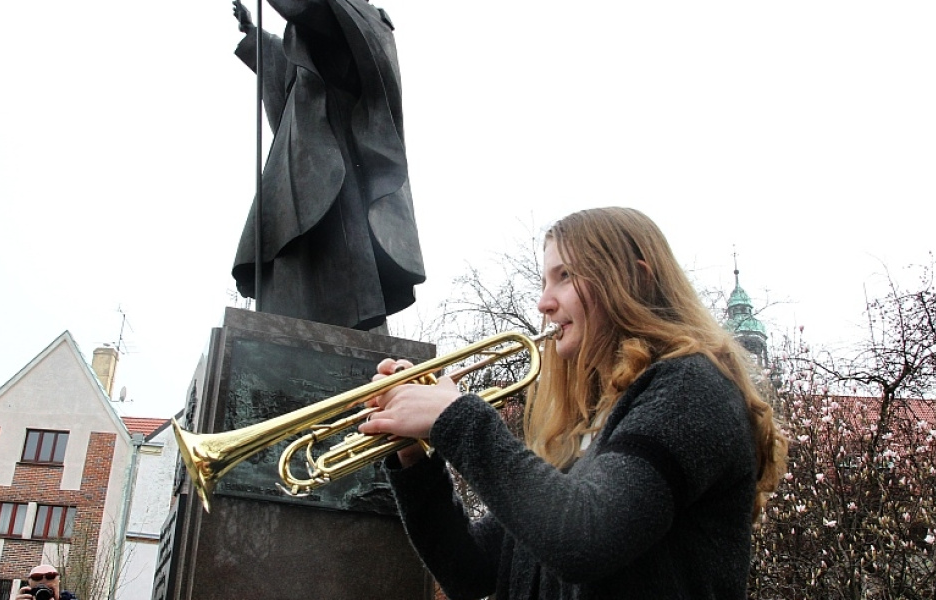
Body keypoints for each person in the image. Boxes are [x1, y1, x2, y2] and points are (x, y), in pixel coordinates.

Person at [359, 207, 788, 599]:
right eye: (545, 282)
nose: (544, 303)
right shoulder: (589, 428)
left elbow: (587, 537)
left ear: (636, 279)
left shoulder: (691, 390)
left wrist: (455, 418)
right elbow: (468, 570)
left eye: (565, 276)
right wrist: (413, 455)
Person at [229, 0, 426, 331]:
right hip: (297, 152)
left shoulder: (355, 15)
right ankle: (293, 328)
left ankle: (339, 327)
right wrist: (254, 35)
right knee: (288, 242)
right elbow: (291, 62)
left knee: (330, 240)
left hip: (332, 154)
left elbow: (308, 10)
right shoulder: (327, 20)